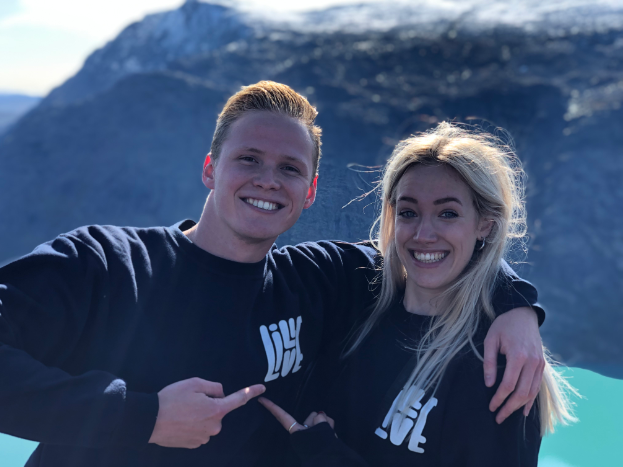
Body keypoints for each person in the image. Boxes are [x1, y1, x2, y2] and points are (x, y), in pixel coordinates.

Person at [0, 83, 544, 467]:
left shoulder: (321, 279)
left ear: (308, 191)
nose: (268, 181)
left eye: (290, 169)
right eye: (249, 159)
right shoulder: (109, 264)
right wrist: (142, 417)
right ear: (211, 167)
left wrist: (514, 304)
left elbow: (425, 248)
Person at [260, 122, 576, 466]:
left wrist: (327, 456)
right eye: (409, 212)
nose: (424, 234)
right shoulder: (356, 297)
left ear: (485, 223)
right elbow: (243, 269)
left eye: (448, 213)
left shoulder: (496, 363)